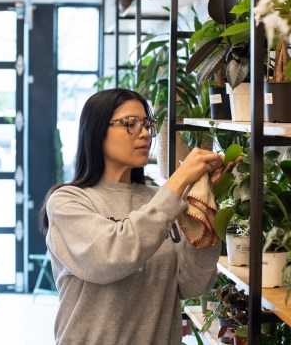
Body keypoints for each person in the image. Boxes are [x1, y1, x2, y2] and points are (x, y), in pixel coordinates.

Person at [39, 88, 232, 345]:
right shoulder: (69, 202)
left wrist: (204, 206)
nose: (144, 134)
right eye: (130, 124)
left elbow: (192, 285)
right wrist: (180, 179)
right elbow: (111, 256)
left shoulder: (162, 201)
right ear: (97, 131)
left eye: (147, 124)